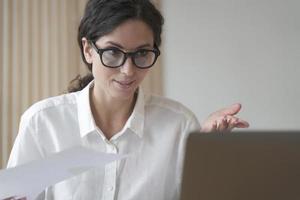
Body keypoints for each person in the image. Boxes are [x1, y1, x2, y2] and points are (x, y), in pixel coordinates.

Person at [6, 0, 249, 199]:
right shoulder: (44, 124)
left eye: (142, 53)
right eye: (113, 52)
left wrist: (205, 152)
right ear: (88, 50)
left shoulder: (179, 126)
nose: (128, 70)